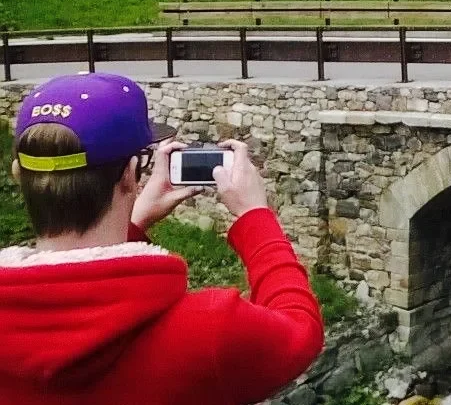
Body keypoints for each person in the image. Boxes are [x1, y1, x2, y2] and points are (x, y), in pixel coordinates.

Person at [0, 72, 324, 404]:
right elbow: (300, 333)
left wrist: (134, 220)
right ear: (130, 174)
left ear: (18, 174)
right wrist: (256, 217)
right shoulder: (209, 332)